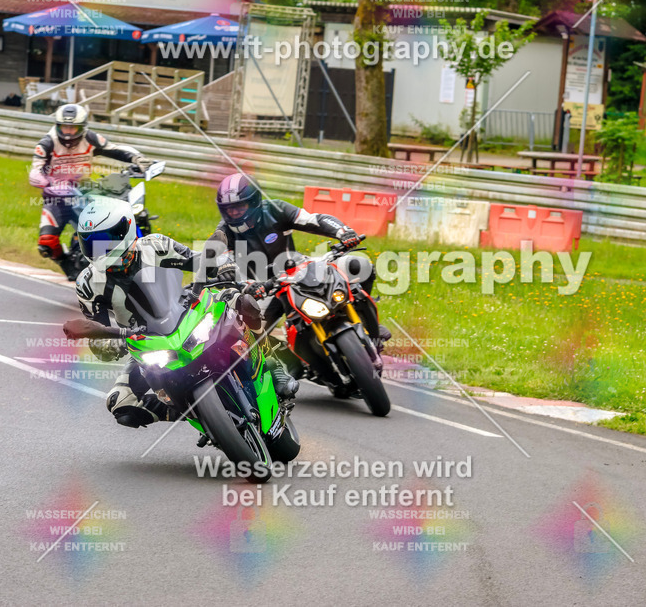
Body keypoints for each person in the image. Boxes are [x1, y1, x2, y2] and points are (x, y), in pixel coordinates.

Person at [71, 198, 296, 430]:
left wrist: (221, 266)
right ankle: (197, 414)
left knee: (242, 301)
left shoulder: (154, 246)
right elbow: (95, 331)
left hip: (188, 310)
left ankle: (273, 361)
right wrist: (110, 343)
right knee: (121, 405)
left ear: (125, 229)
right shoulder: (88, 283)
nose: (99, 249)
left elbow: (196, 260)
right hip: (144, 343)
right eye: (91, 242)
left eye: (105, 240)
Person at [206, 173, 390, 356]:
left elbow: (313, 220)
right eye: (229, 209)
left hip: (299, 271)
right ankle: (286, 367)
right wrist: (237, 278)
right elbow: (218, 255)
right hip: (263, 289)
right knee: (249, 343)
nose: (234, 213)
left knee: (360, 265)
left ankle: (369, 326)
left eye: (239, 206)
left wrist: (343, 232)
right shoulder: (224, 230)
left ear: (254, 202)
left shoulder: (276, 209)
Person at [28, 103, 153, 281]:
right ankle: (67, 264)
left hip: (83, 191)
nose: (69, 132)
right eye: (65, 127)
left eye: (73, 127)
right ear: (57, 125)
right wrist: (44, 181)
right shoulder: (47, 143)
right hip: (56, 197)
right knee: (47, 243)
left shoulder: (90, 138)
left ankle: (122, 259)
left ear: (82, 127)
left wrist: (137, 159)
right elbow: (35, 169)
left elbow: (114, 149)